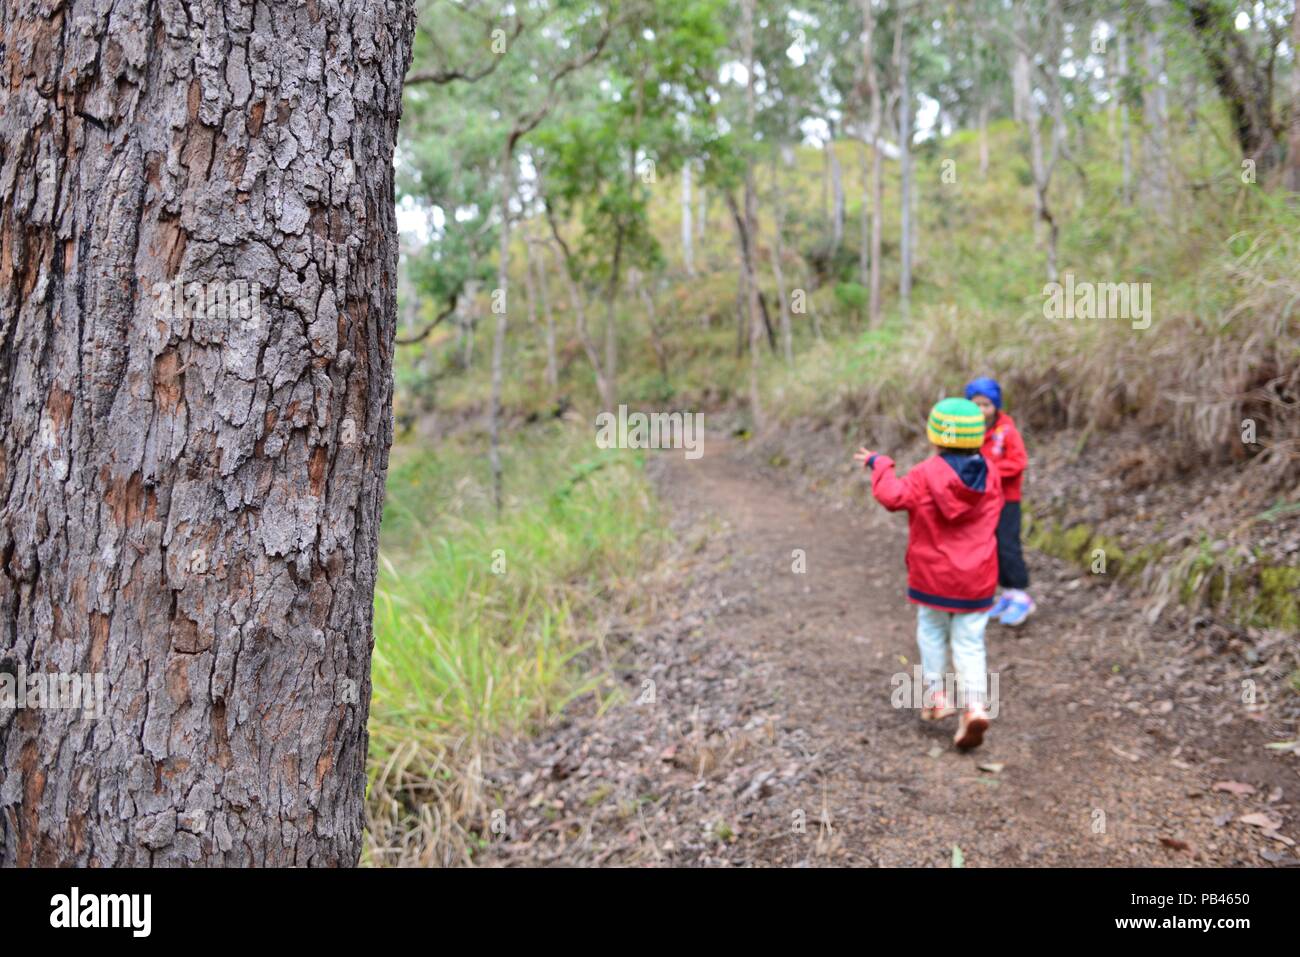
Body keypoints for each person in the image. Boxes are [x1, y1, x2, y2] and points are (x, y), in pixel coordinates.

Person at [854, 398, 1002, 749]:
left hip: (933, 576)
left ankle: (936, 697)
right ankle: (976, 706)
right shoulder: (991, 474)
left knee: (933, 631)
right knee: (970, 643)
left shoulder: (925, 473)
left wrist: (881, 464)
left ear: (935, 437)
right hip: (978, 576)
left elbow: (891, 496)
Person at [964, 376, 1033, 626]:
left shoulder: (1007, 431)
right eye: (976, 404)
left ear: (995, 405)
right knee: (990, 546)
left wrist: (988, 469)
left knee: (1007, 544)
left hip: (1006, 499)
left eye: (986, 405)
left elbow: (1018, 462)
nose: (981, 410)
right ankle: (1007, 593)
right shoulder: (970, 430)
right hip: (982, 501)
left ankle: (1021, 593)